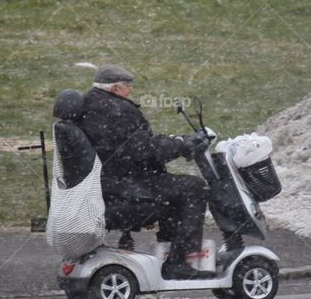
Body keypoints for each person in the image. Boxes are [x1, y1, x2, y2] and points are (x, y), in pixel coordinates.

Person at [79, 65, 212, 279]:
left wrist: (172, 141)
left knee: (174, 188)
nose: (130, 91)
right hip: (125, 186)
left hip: (108, 183)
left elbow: (133, 145)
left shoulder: (90, 104)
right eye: (127, 86)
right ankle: (178, 263)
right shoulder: (118, 109)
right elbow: (142, 150)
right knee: (194, 188)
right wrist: (180, 144)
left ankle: (169, 255)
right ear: (115, 88)